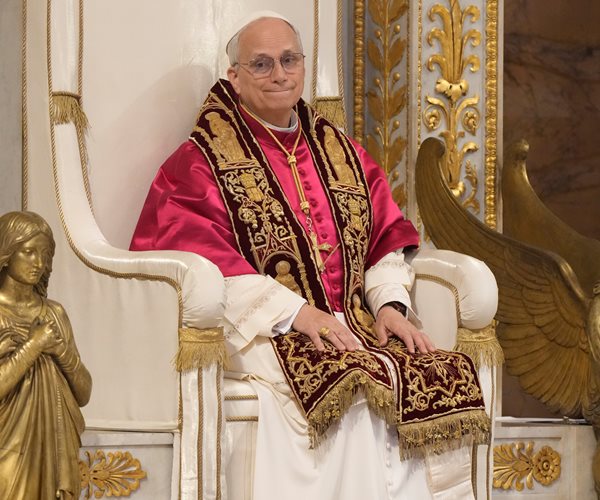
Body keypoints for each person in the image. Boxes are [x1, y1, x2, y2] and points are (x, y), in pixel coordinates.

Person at [131, 11, 489, 499]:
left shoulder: (342, 152)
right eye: (261, 64)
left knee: (422, 369)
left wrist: (389, 305)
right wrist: (296, 313)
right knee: (351, 387)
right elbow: (199, 261)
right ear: (234, 76)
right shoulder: (199, 163)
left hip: (353, 322)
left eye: (289, 60)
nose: (279, 74)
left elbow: (384, 236)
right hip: (259, 326)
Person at [0, 211, 92, 499]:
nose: (38, 263)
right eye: (28, 252)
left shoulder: (55, 313)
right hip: (8, 445)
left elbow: (84, 393)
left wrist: (60, 350)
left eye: (44, 254)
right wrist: (33, 346)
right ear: (6, 253)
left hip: (53, 448)